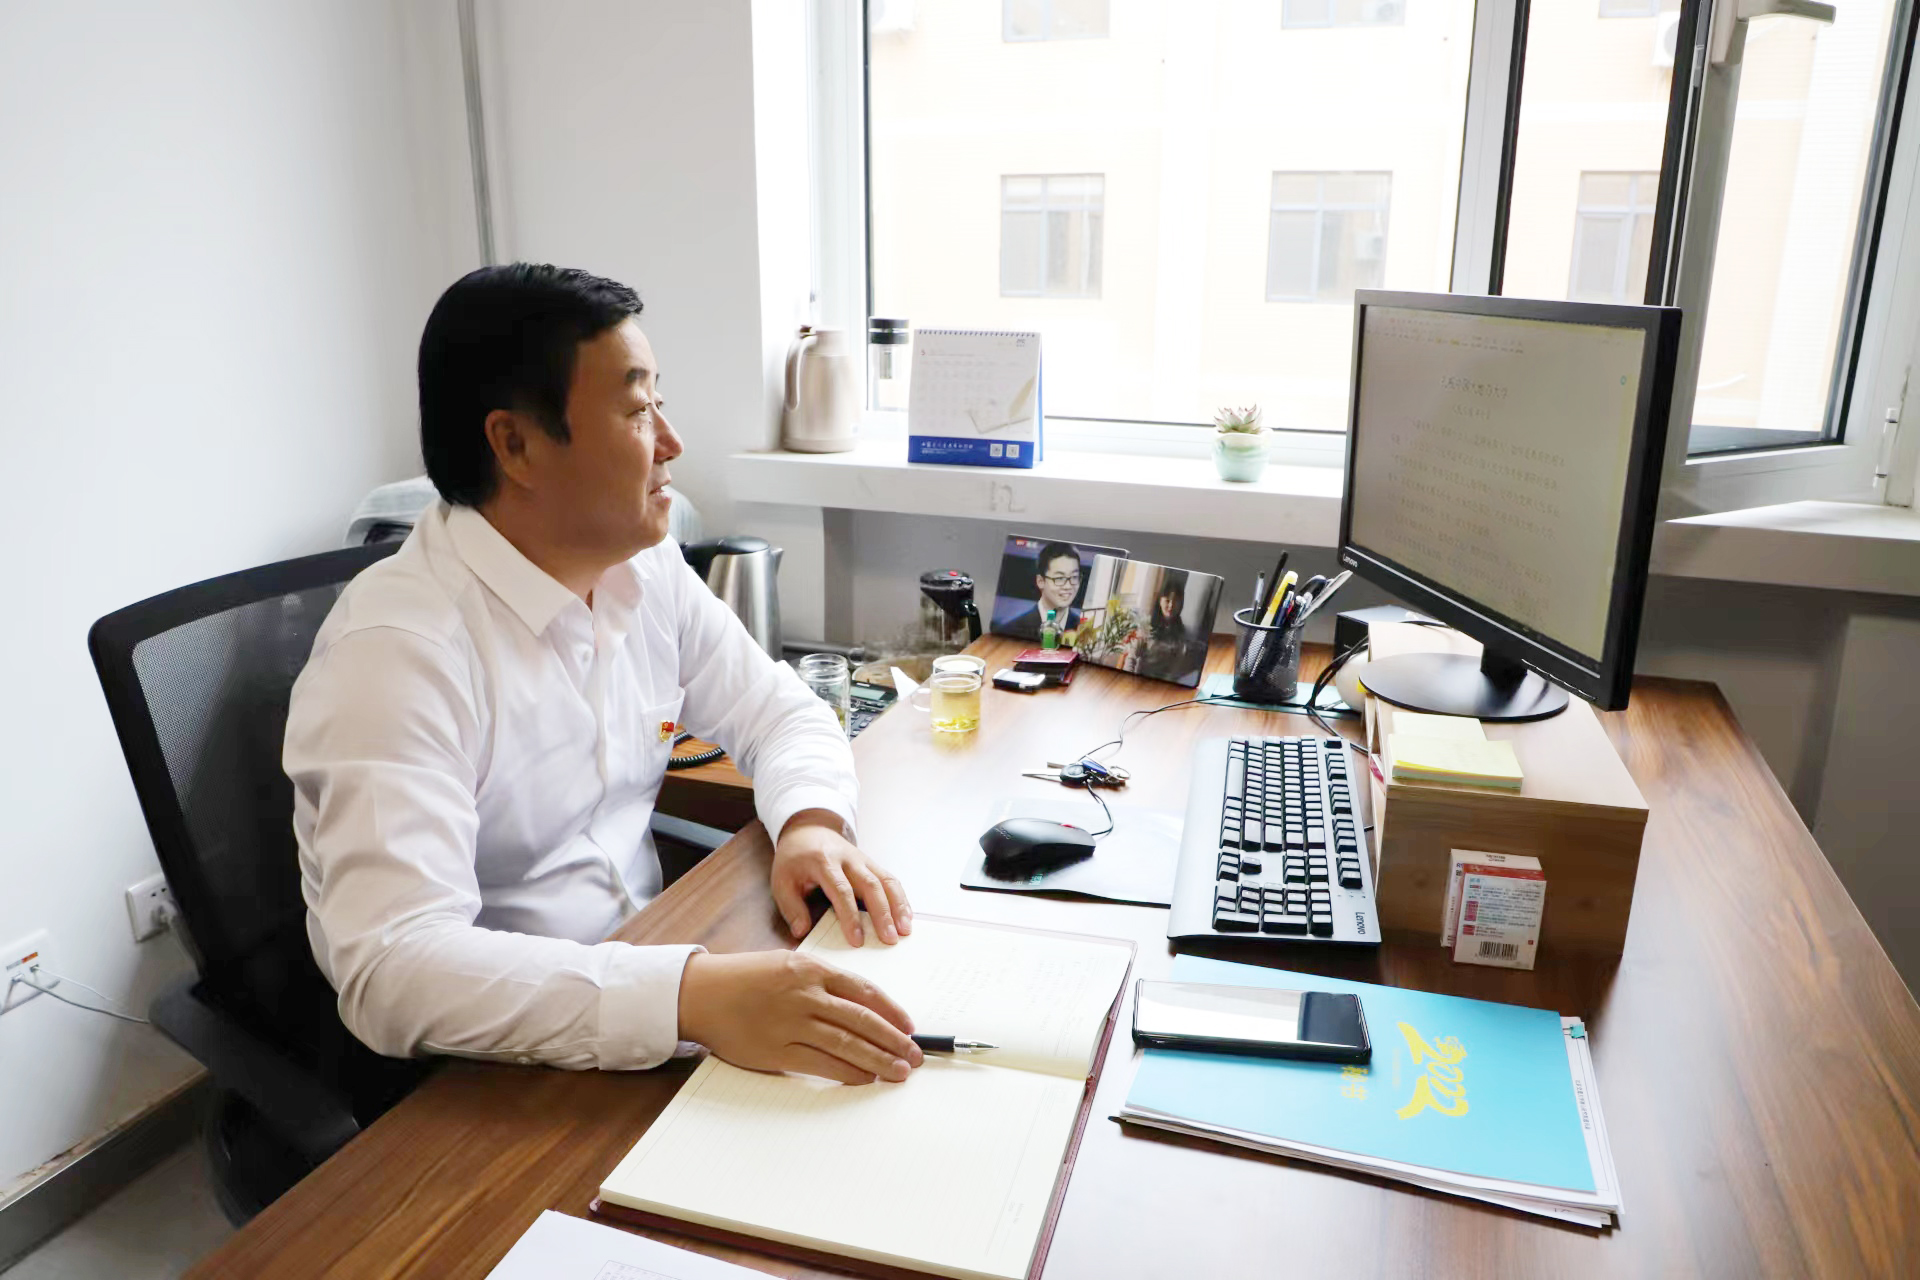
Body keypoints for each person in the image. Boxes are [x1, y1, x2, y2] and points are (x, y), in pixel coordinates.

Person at [285, 264, 923, 1086]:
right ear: (515, 445)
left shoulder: (642, 565)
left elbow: (780, 713)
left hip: (658, 983)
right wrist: (687, 997)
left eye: (660, 401)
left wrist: (811, 823)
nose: (671, 443)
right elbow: (394, 970)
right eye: (636, 410)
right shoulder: (394, 655)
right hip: (493, 1065)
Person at [997, 541, 1085, 639]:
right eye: (1059, 578)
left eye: (1074, 577)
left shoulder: (1085, 632)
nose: (1068, 586)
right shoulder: (1010, 631)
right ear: (1040, 581)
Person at [1139, 575, 1205, 685]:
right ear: (1160, 601)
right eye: (1167, 600)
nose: (1171, 605)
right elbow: (1134, 659)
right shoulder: (1146, 625)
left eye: (1176, 601)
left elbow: (1176, 667)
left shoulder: (1181, 632)